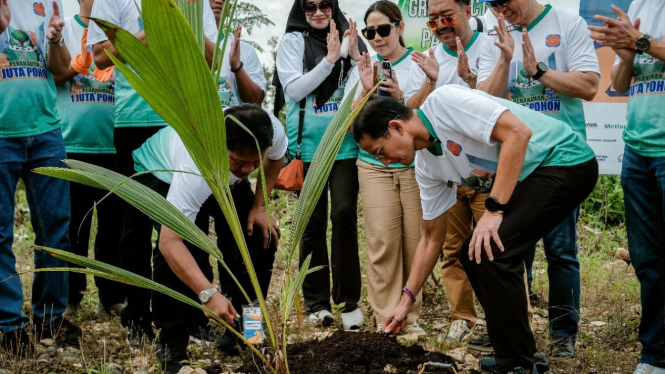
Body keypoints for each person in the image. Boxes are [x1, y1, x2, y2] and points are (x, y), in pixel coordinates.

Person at [354, 84, 598, 374]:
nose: (383, 160)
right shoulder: (428, 165)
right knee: (472, 254)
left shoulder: (444, 103)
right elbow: (432, 237)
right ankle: (519, 353)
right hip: (537, 176)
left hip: (565, 160)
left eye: (379, 151)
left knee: (494, 250)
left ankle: (517, 364)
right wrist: (406, 299)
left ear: (396, 127)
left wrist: (494, 210)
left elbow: (518, 133)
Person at [87, 0, 226, 347]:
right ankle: (137, 316)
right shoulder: (113, 1)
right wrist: (157, 29)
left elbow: (214, 61)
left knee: (188, 225)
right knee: (133, 229)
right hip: (134, 123)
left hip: (183, 118)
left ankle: (190, 316)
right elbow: (101, 58)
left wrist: (185, 24)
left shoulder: (194, 3)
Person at [476, 0, 600, 357]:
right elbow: (482, 101)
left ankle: (563, 334)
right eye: (492, 4)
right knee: (514, 250)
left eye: (505, 1)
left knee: (561, 250)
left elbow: (590, 86)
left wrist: (538, 72)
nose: (501, 9)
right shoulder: (493, 31)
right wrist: (504, 60)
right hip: (514, 162)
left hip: (561, 161)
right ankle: (516, 331)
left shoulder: (568, 22)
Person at [132, 105, 286, 374]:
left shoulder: (271, 130)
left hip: (217, 175)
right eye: (240, 162)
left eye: (254, 161)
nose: (249, 169)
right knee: (181, 249)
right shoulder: (195, 160)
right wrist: (208, 294)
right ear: (220, 147)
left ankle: (248, 330)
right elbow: (170, 243)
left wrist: (260, 207)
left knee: (261, 236)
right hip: (161, 171)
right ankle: (172, 343)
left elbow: (276, 158)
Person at [275, 0, 367, 330]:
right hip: (308, 149)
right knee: (312, 222)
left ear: (334, 7)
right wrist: (330, 60)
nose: (318, 12)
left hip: (344, 146)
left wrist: (352, 55)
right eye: (309, 6)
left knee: (343, 214)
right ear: (301, 9)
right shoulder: (291, 42)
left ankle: (348, 301)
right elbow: (294, 89)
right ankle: (316, 302)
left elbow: (363, 87)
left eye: (325, 5)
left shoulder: (351, 38)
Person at [402, 0, 488, 344]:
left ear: (467, 9)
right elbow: (407, 117)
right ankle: (462, 317)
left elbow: (498, 106)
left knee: (497, 251)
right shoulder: (428, 58)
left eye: (447, 15)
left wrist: (471, 79)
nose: (441, 24)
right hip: (446, 172)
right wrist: (431, 83)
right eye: (433, 19)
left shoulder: (490, 46)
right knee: (452, 250)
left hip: (485, 170)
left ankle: (511, 320)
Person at [0, 0, 81, 357]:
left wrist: (54, 40)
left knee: (56, 230)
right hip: (2, 133)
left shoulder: (49, 3)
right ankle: (8, 326)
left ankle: (51, 320)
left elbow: (61, 72)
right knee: (0, 234)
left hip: (47, 130)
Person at [588, 2, 665, 373]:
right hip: (637, 149)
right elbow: (618, 84)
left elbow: (645, 43)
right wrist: (627, 55)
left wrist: (642, 42)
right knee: (648, 260)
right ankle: (654, 355)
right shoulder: (640, 4)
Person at [342, 0, 424, 335]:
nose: (377, 38)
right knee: (381, 243)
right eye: (369, 32)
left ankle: (409, 316)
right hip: (374, 168)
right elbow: (349, 125)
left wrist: (402, 99)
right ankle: (385, 317)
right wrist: (364, 91)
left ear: (400, 26)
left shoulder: (419, 64)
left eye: (383, 29)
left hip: (417, 167)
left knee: (414, 242)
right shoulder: (362, 66)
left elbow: (427, 123)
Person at [54, 0, 125, 318]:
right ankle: (71, 297)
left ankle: (111, 297)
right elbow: (54, 76)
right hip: (72, 145)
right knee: (74, 229)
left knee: (113, 229)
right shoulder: (65, 29)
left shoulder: (122, 33)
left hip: (115, 146)